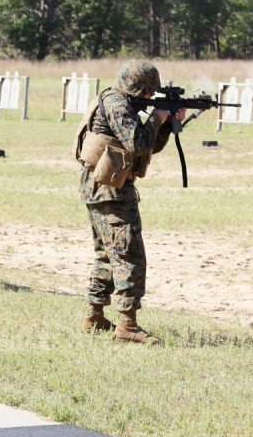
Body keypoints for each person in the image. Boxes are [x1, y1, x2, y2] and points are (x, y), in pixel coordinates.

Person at [73, 59, 184, 344]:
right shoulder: (117, 104)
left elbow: (148, 147)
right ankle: (127, 325)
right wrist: (156, 118)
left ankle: (95, 315)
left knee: (108, 254)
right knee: (129, 254)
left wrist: (168, 125)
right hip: (110, 192)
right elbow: (137, 142)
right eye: (148, 92)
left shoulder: (118, 100)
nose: (150, 98)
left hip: (104, 188)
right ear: (139, 87)